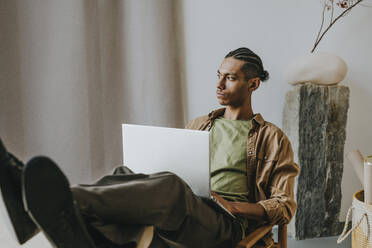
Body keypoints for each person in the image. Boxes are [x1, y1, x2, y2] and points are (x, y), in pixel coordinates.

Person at [0, 47, 300, 248]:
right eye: (218, 75)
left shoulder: (272, 138)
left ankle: (64, 202)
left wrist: (233, 206)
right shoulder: (200, 123)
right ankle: (81, 230)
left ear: (253, 84)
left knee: (169, 187)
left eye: (230, 78)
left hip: (227, 224)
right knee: (124, 172)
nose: (219, 84)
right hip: (190, 207)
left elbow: (284, 205)